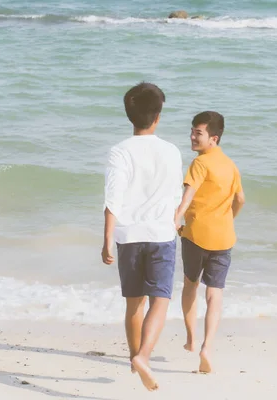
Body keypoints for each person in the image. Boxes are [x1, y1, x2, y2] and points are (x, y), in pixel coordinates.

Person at [102, 82, 182, 391]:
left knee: (133, 305)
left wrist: (107, 240)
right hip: (161, 233)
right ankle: (144, 357)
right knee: (159, 301)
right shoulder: (171, 151)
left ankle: (135, 356)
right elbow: (176, 195)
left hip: (129, 235)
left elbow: (113, 198)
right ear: (158, 116)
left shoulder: (119, 151)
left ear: (129, 115)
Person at [173, 111, 245, 373]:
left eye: (198, 133)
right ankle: (207, 346)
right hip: (224, 237)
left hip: (196, 236)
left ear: (213, 138)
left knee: (190, 285)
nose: (192, 136)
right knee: (215, 293)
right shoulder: (230, 165)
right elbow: (240, 200)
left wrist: (176, 219)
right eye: (192, 131)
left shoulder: (199, 163)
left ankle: (191, 337)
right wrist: (228, 220)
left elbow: (187, 197)